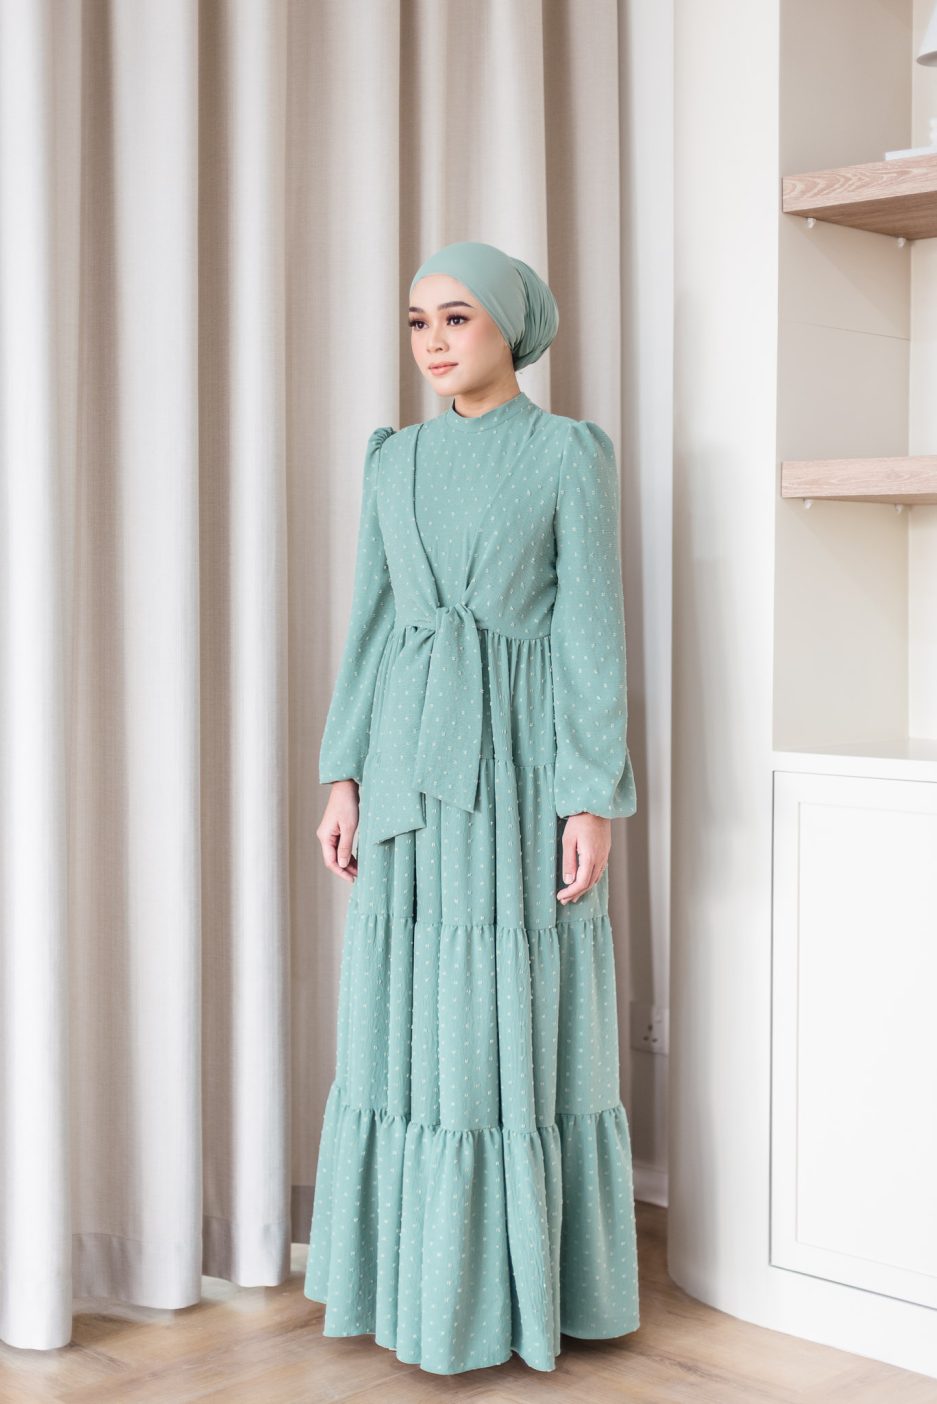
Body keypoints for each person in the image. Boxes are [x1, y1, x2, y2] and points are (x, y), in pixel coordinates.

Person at [304, 239, 639, 1375]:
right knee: (409, 1010)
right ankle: (408, 1286)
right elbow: (368, 625)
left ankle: (513, 1295)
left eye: (457, 317)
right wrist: (341, 774)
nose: (434, 343)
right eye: (418, 322)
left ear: (510, 327)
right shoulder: (391, 460)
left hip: (517, 768)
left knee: (503, 1004)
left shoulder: (566, 454)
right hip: (404, 765)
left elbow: (590, 634)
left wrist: (589, 797)